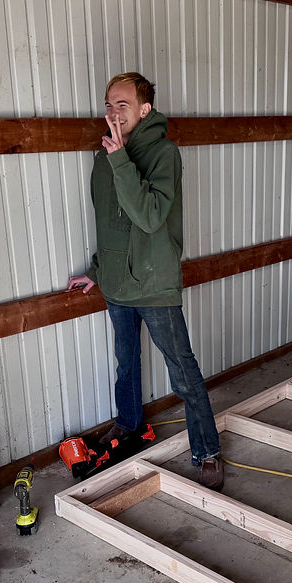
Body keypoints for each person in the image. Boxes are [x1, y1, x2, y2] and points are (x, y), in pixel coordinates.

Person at [67, 72, 224, 490]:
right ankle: (128, 426)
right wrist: (97, 272)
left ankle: (207, 450)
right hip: (117, 284)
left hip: (154, 284)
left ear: (143, 110)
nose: (113, 113)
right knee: (126, 364)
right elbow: (110, 225)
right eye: (108, 105)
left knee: (182, 370)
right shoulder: (105, 155)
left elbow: (150, 216)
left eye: (122, 105)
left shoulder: (162, 153)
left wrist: (120, 159)